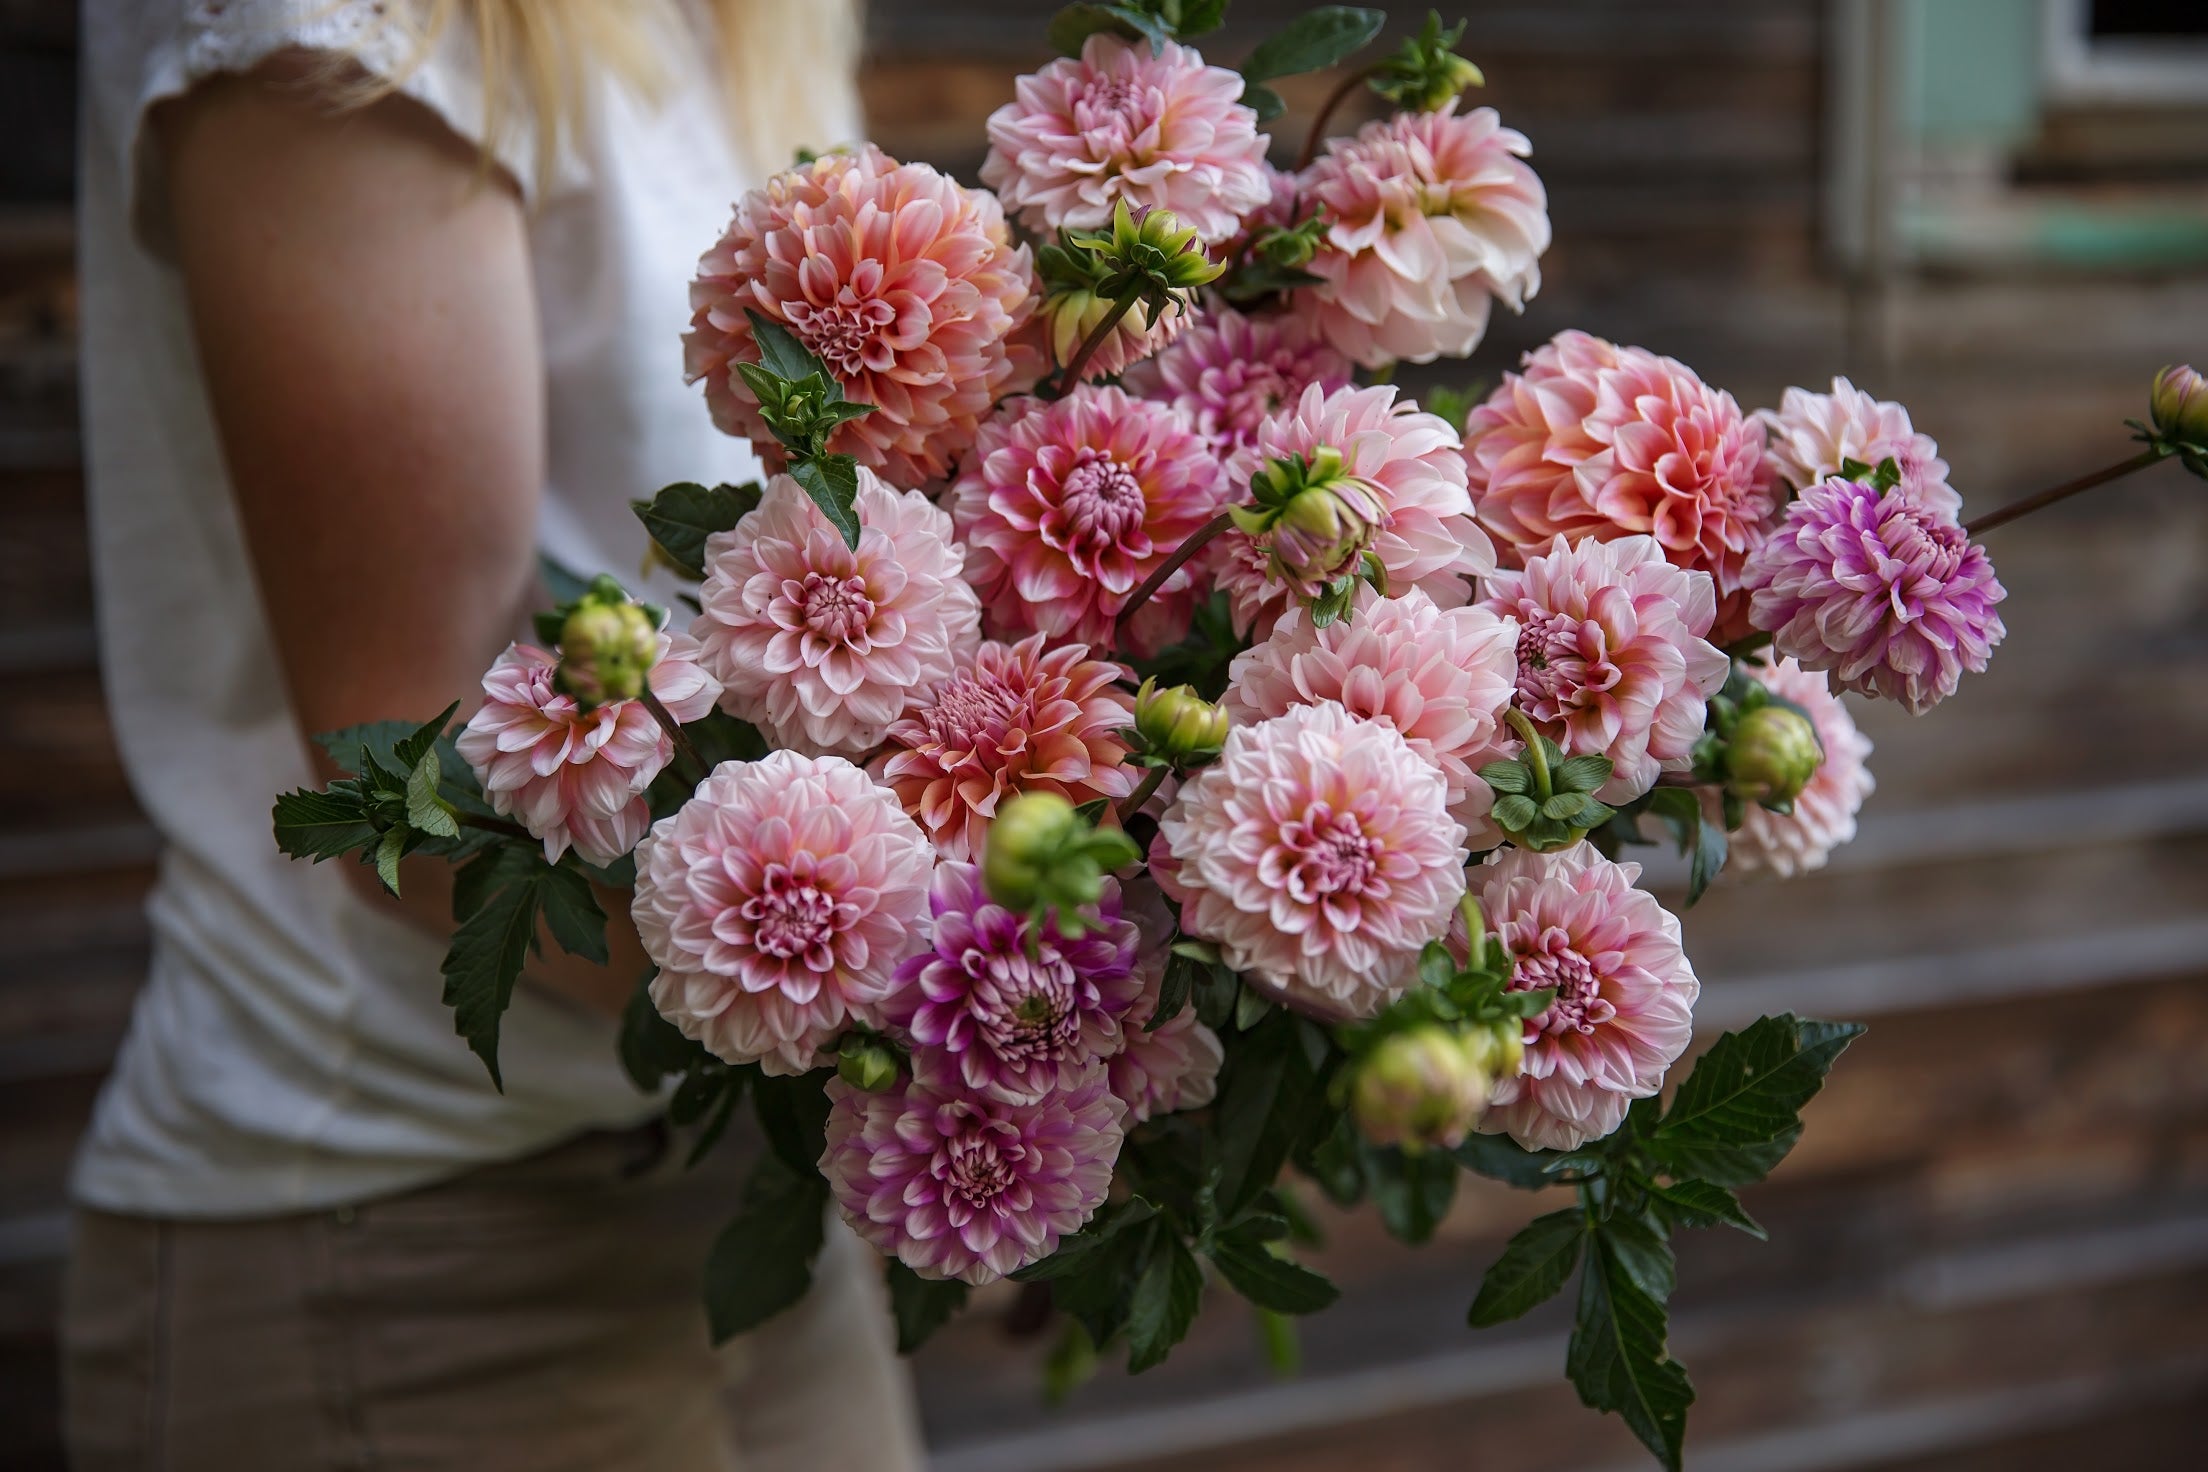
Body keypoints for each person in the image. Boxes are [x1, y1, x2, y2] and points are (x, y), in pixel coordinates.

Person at [64, 2, 926, 1467]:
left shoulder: (741, 21)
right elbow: (429, 794)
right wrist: (994, 1019)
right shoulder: (348, 32)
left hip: (741, 1180)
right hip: (405, 1251)